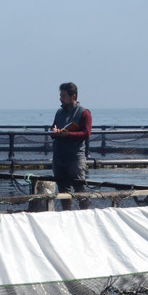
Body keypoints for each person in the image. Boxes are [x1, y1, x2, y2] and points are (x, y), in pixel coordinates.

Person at [50, 82, 92, 210]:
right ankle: (66, 213)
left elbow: (86, 133)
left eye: (63, 95)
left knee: (80, 187)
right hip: (59, 156)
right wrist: (55, 132)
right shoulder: (59, 112)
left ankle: (86, 213)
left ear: (73, 96)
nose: (60, 98)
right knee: (63, 189)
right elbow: (53, 128)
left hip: (75, 157)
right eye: (60, 95)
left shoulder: (84, 113)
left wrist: (68, 134)